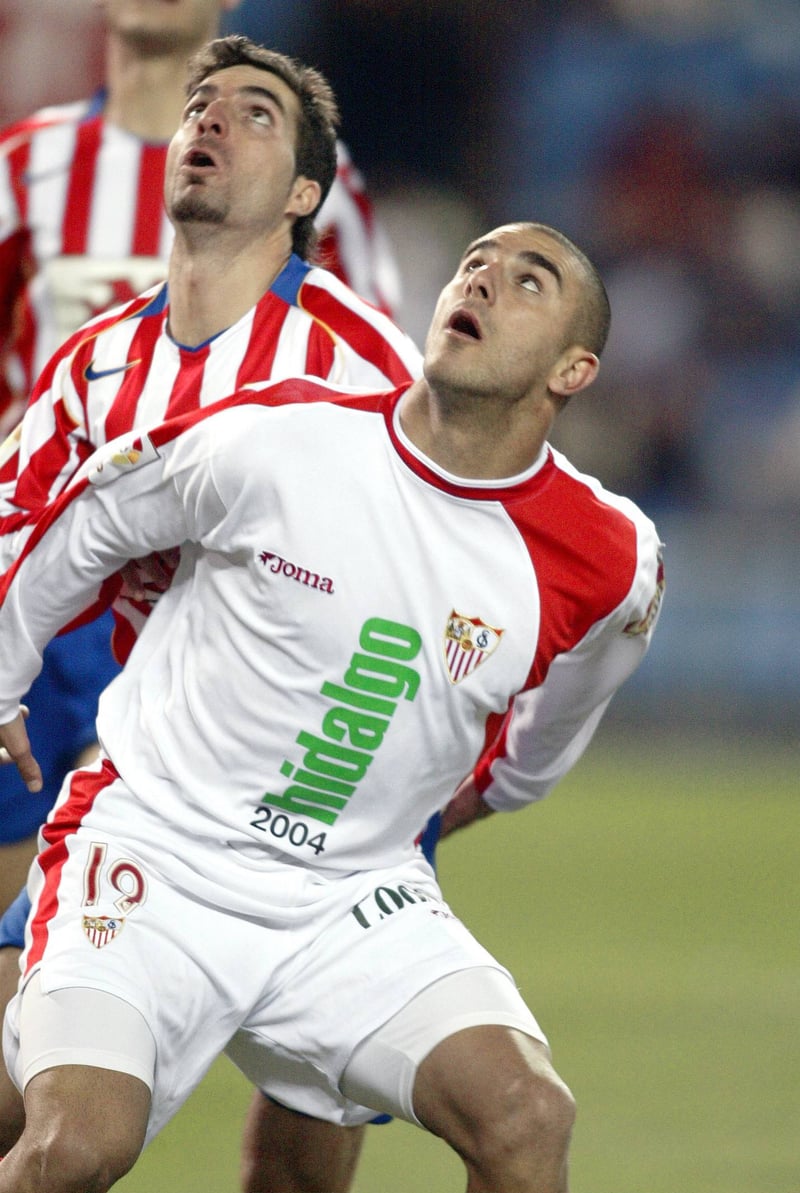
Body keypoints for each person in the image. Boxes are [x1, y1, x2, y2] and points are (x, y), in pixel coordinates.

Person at [0, 219, 664, 1192]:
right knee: (72, 1149)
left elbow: (570, 698)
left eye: (530, 280)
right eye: (473, 262)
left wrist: (500, 786)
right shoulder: (283, 437)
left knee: (527, 1114)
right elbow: (89, 516)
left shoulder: (612, 555)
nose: (482, 279)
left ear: (574, 369)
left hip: (348, 894)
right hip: (158, 854)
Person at [0, 28, 420, 1189]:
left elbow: (440, 539)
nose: (213, 123)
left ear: (303, 195)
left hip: (301, 764)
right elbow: (18, 514)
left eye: (253, 112)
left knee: (329, 1124)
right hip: (108, 717)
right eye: (204, 107)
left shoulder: (363, 370)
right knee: (36, 1101)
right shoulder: (94, 353)